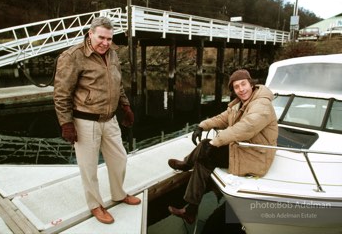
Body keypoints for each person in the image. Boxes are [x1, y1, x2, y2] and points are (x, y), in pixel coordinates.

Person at [53, 16, 140, 225]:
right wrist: (66, 123)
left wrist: (125, 106)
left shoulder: (112, 54)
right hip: (85, 120)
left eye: (109, 39)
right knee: (89, 167)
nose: (105, 43)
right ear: (90, 33)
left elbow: (117, 84)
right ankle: (95, 205)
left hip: (109, 119)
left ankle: (118, 194)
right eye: (101, 37)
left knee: (120, 159)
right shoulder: (72, 56)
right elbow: (61, 93)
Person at [167, 69, 278, 224]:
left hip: (255, 156)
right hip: (243, 149)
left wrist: (215, 142)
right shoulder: (240, 103)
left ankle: (186, 165)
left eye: (243, 84)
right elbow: (222, 118)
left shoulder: (262, 104)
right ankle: (190, 209)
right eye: (236, 87)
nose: (241, 89)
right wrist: (202, 126)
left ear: (251, 84)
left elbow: (246, 128)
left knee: (206, 149)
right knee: (204, 158)